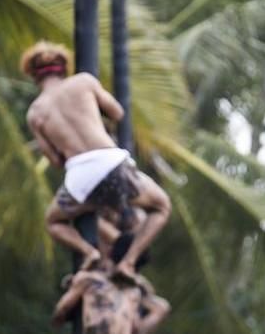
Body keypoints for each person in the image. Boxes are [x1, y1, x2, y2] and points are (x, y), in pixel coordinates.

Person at [20, 41, 172, 281]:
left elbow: (55, 160)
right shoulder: (83, 82)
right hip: (113, 167)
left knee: (53, 222)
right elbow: (118, 113)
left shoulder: (35, 113)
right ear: (63, 68)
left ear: (34, 75)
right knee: (161, 206)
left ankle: (88, 252)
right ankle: (129, 263)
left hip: (80, 182)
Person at [51, 233, 171, 334]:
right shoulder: (134, 291)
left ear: (110, 253)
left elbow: (61, 310)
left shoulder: (90, 279)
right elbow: (61, 312)